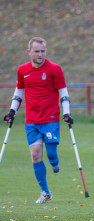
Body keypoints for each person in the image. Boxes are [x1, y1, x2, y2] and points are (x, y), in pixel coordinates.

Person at [3, 37, 74, 204]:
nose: (40, 54)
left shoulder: (55, 69)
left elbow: (63, 93)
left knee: (51, 154)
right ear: (29, 52)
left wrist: (67, 113)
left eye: (43, 51)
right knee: (35, 154)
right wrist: (12, 111)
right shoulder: (23, 70)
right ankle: (45, 192)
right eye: (37, 51)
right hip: (32, 120)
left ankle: (55, 165)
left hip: (50, 118)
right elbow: (19, 91)